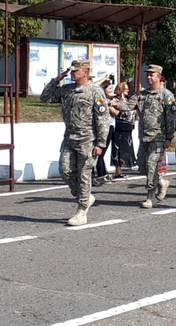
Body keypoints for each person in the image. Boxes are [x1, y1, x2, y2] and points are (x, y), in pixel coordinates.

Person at [40, 60, 110, 226]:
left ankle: (82, 211)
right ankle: (84, 196)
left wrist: (100, 143)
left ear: (85, 72)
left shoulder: (95, 92)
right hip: (70, 138)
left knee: (84, 175)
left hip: (88, 140)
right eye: (71, 71)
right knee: (65, 170)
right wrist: (57, 79)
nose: (72, 73)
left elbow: (102, 119)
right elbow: (45, 97)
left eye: (75, 71)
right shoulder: (67, 90)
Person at [114, 65, 176, 209]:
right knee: (142, 168)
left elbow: (171, 118)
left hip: (159, 138)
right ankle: (161, 182)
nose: (149, 77)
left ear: (159, 76)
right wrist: (115, 104)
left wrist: (169, 138)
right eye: (147, 75)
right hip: (144, 138)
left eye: (152, 74)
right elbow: (128, 105)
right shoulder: (141, 95)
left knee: (151, 166)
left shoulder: (166, 95)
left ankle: (151, 197)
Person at [108, 82, 138, 178]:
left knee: (127, 148)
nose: (127, 91)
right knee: (117, 149)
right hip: (119, 127)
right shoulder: (115, 100)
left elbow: (132, 111)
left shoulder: (129, 100)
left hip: (129, 126)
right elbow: (117, 112)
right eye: (125, 89)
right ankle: (118, 170)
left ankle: (126, 165)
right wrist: (120, 100)